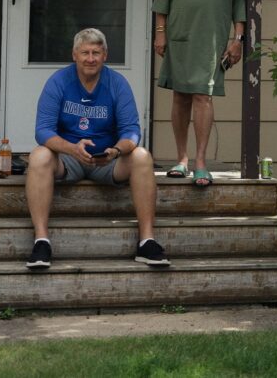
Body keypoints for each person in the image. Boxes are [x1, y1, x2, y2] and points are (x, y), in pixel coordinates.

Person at [25, 28, 169, 270]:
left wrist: (115, 151)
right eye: (85, 53)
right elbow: (43, 131)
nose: (90, 58)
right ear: (74, 55)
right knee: (39, 155)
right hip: (69, 159)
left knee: (142, 156)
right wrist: (72, 148)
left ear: (105, 55)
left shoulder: (117, 83)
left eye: (96, 53)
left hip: (107, 161)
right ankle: (41, 242)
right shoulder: (59, 81)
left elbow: (132, 131)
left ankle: (146, 241)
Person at [153, 0, 246, 188]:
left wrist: (238, 39)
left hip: (214, 37)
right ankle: (181, 159)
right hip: (181, 32)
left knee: (203, 96)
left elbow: (241, 1)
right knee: (180, 95)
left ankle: (201, 162)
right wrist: (160, 30)